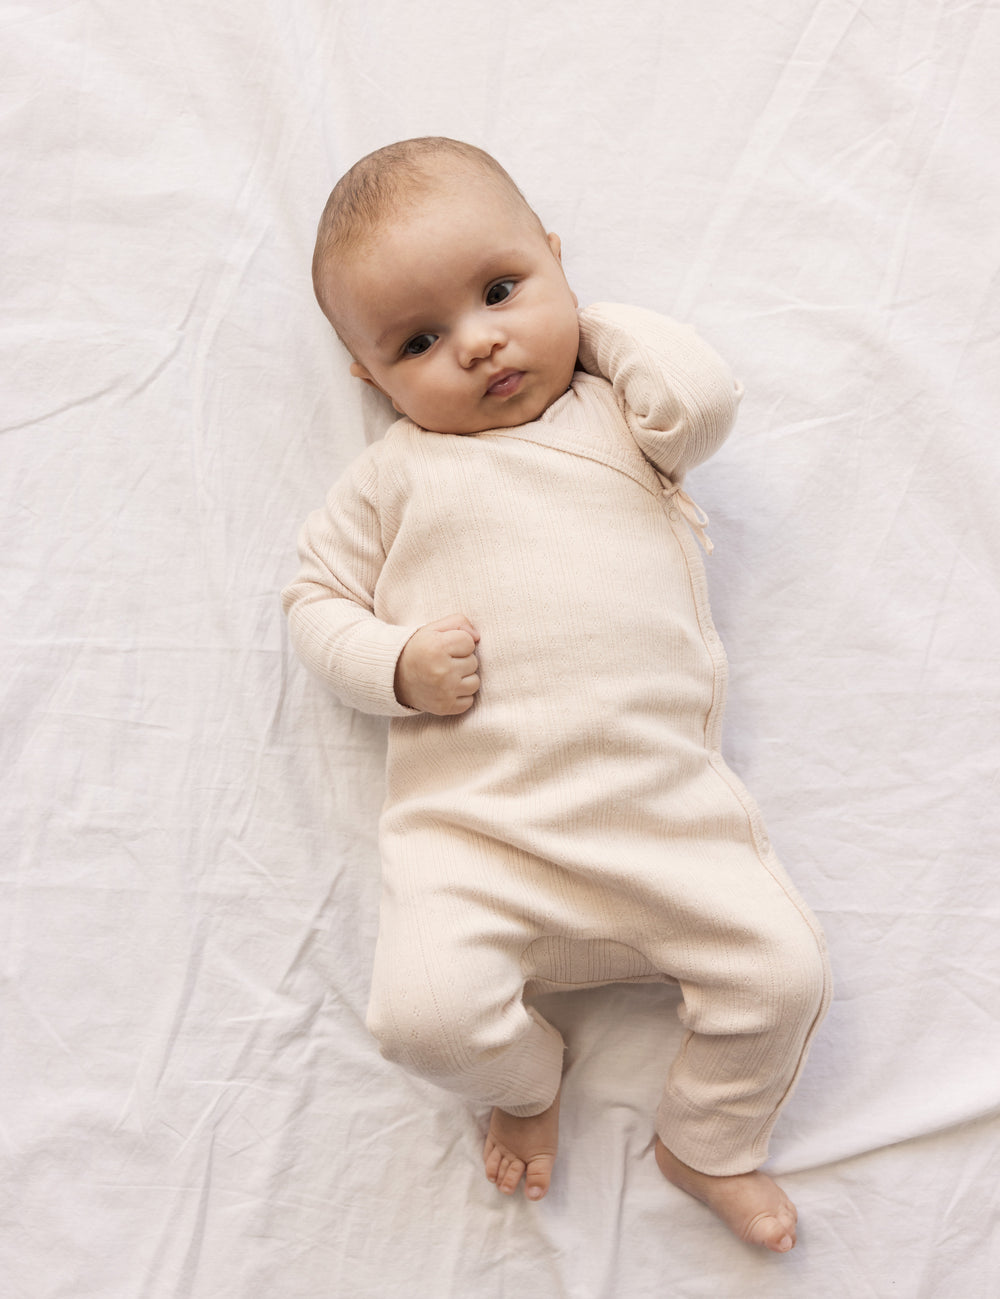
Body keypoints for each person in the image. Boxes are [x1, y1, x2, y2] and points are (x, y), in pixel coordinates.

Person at [282, 136, 832, 1253]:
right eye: (419, 341)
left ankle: (707, 1141)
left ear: (556, 262)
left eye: (501, 291)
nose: (479, 343)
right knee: (419, 1018)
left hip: (660, 819)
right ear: (370, 379)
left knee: (782, 975)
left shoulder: (622, 419)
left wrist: (595, 334)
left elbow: (706, 398)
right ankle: (527, 1078)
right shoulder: (396, 473)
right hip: (477, 838)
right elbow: (310, 601)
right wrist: (392, 665)